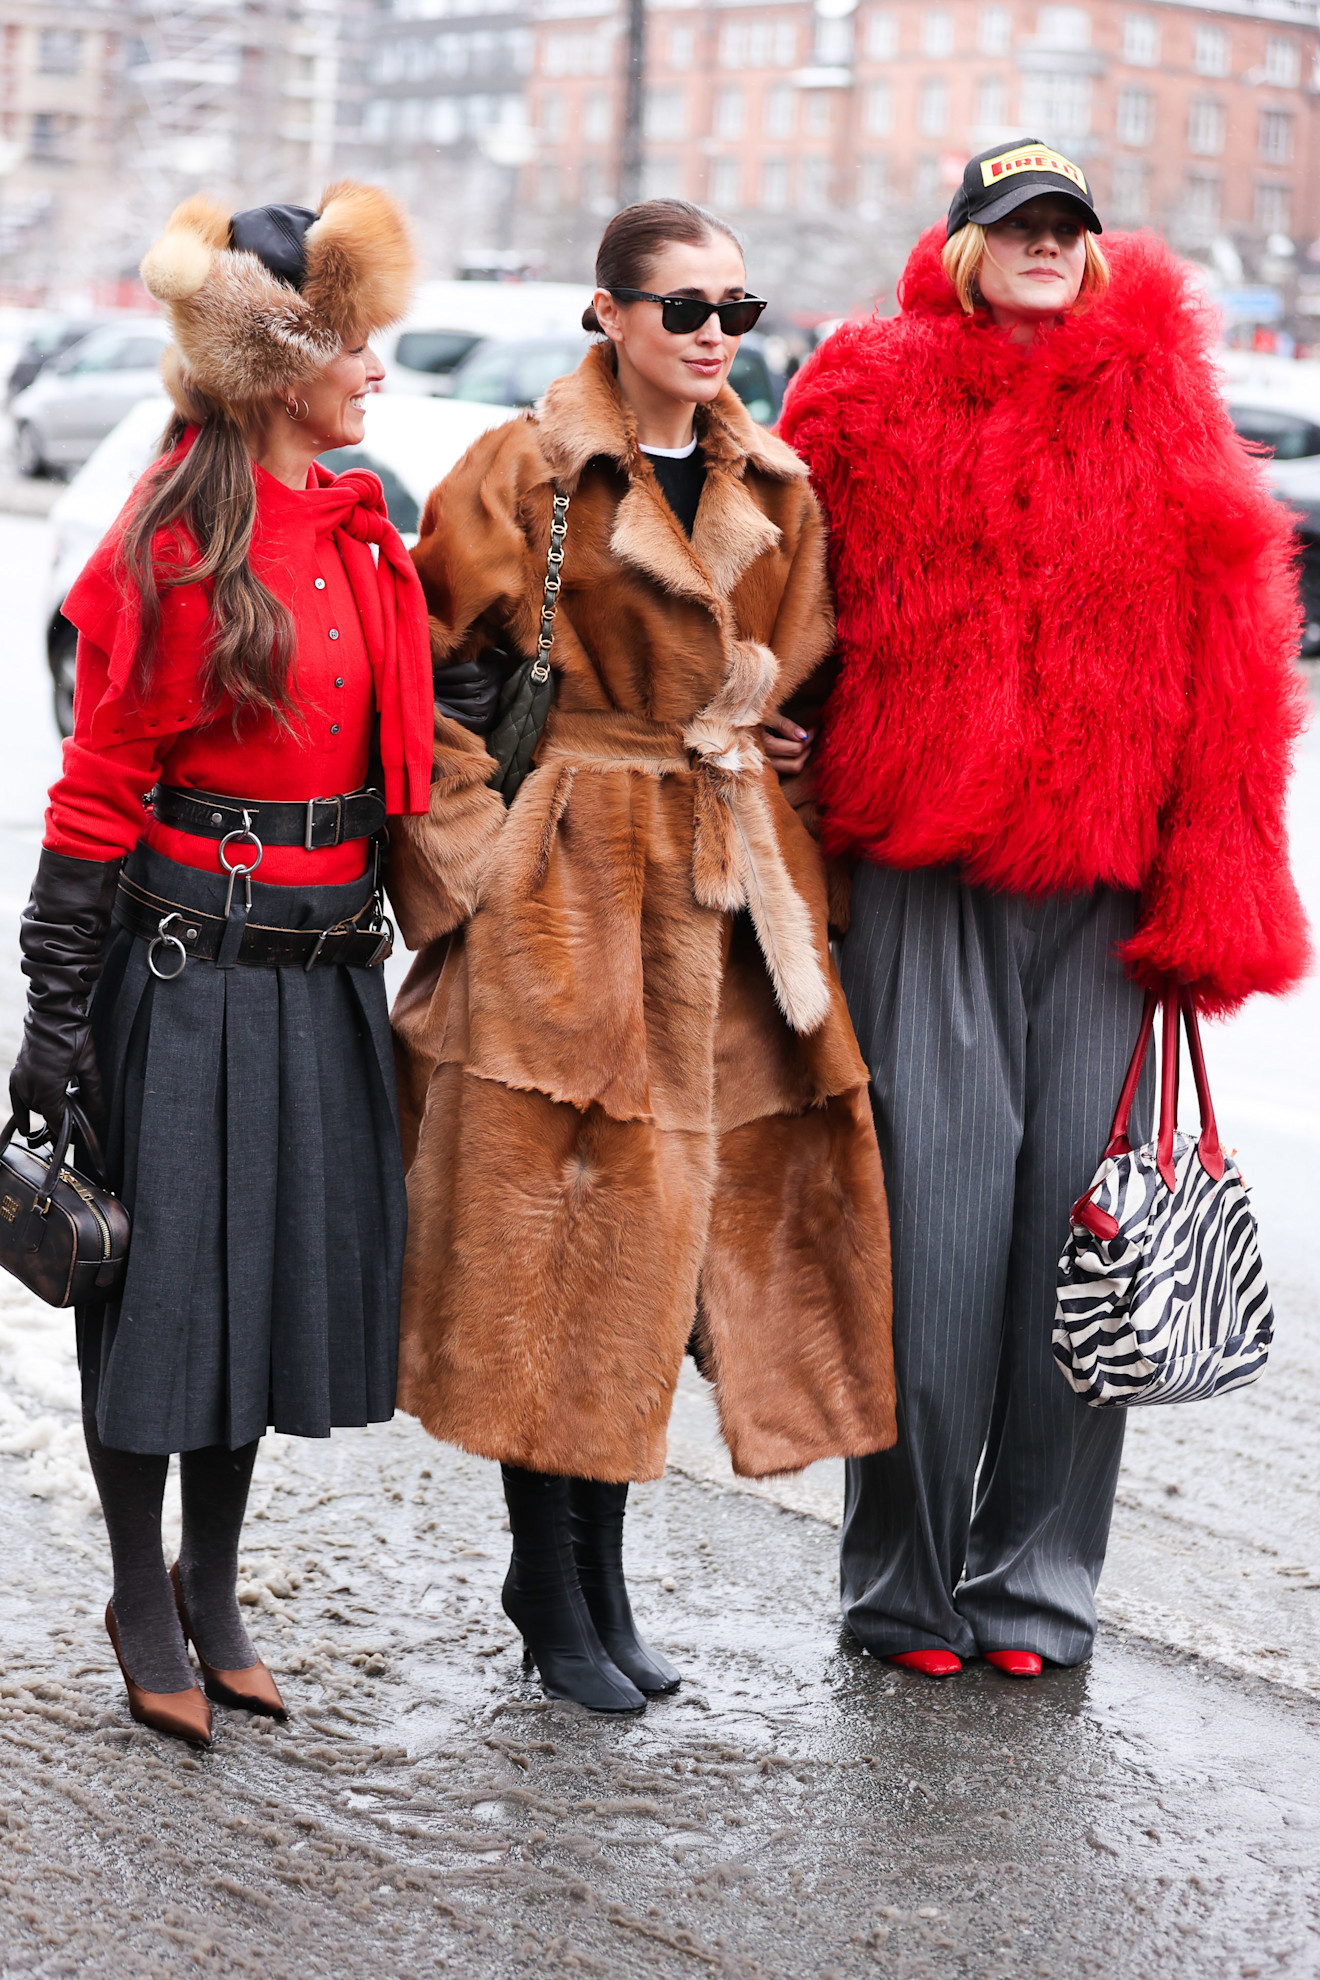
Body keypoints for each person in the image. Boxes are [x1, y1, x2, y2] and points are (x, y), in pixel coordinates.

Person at [779, 143, 1311, 1681]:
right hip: (925, 876)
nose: (1047, 245)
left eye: (1069, 226)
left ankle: (1035, 1591)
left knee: (1084, 1244)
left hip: (1102, 890)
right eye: (1018, 225)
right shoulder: (864, 388)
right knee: (931, 1253)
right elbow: (782, 587)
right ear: (964, 242)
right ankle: (903, 1589)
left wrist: (1219, 884)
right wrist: (781, 717)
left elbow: (1239, 654)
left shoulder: (1163, 396)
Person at [386, 199, 896, 1713]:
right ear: (607, 313)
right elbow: (421, 680)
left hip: (724, 905)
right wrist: (480, 867)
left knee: (661, 1256)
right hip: (566, 897)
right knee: (553, 1242)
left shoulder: (777, 483)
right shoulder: (527, 467)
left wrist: (777, 751)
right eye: (684, 307)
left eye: (737, 308)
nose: (715, 334)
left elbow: (810, 683)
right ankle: (549, 1583)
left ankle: (598, 1573)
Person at [9, 184, 433, 1745]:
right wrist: (56, 1015)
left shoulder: (367, 525)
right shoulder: (174, 540)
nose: (375, 367)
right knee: (162, 1293)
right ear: (271, 362)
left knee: (262, 1290)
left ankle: (218, 1581)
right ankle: (141, 1590)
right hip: (184, 973)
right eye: (351, 342)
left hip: (324, 977)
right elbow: (96, 791)